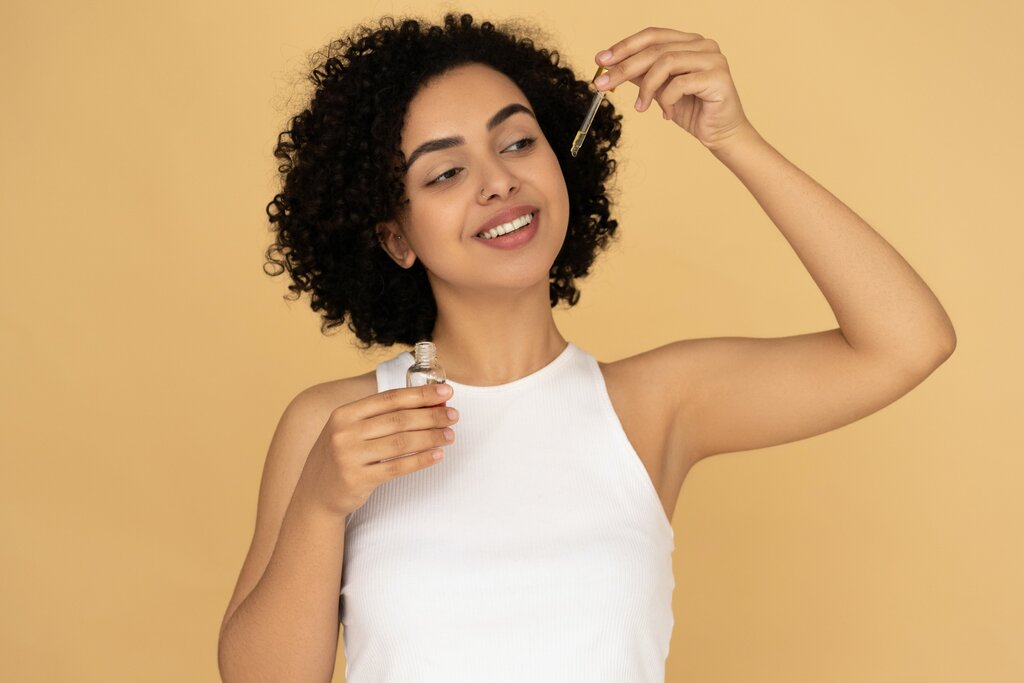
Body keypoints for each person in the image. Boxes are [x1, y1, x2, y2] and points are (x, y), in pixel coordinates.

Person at [217, 12, 956, 682]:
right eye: (446, 171)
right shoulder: (334, 428)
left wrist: (734, 138)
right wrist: (318, 504)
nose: (499, 181)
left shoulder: (653, 405)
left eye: (517, 141)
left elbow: (907, 342)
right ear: (395, 236)